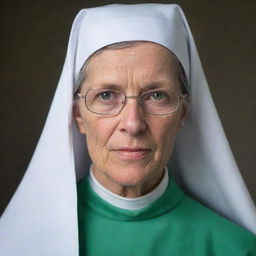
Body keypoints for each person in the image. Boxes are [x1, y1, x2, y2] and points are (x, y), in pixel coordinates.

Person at [0, 3, 255, 256]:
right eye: (107, 95)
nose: (133, 124)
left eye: (156, 95)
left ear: (182, 114)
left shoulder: (235, 248)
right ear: (78, 115)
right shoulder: (18, 243)